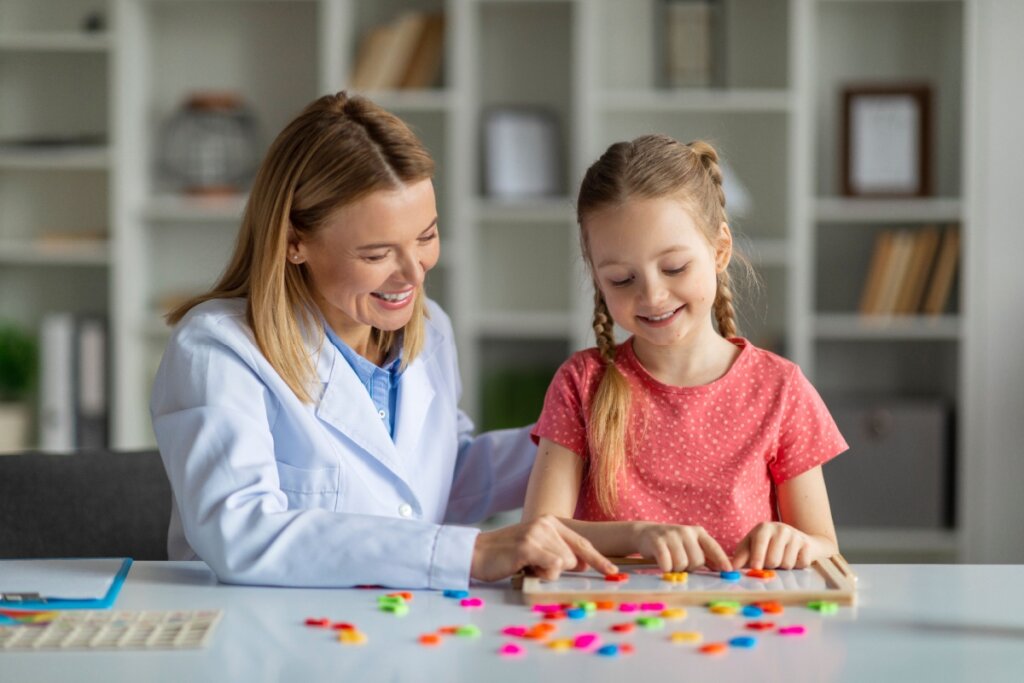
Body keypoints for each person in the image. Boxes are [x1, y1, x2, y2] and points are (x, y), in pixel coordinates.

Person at [150, 92, 616, 589]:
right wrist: (470, 552)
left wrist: (583, 438)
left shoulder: (429, 328)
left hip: (399, 625)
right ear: (293, 242)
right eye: (377, 255)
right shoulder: (218, 350)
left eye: (427, 237)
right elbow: (241, 533)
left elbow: (441, 479)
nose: (413, 273)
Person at [522, 134, 847, 572]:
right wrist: (639, 534)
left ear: (719, 250)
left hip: (742, 631)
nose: (653, 296)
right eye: (621, 279)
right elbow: (541, 534)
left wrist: (796, 543)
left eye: (674, 268)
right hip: (607, 632)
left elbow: (824, 543)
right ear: (597, 277)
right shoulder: (581, 383)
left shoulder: (780, 388)